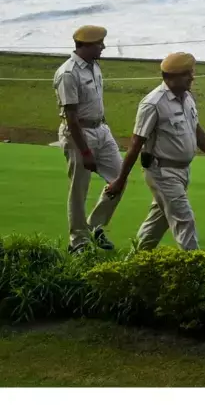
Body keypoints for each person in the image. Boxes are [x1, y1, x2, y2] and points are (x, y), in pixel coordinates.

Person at [107, 53, 205, 252]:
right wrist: (120, 179)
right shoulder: (153, 103)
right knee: (184, 220)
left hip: (182, 172)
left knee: (157, 222)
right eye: (187, 74)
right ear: (171, 77)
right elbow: (135, 143)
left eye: (191, 73)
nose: (192, 78)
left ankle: (135, 262)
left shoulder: (187, 97)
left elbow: (197, 130)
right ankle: (194, 268)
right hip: (162, 172)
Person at [55, 25, 122, 254]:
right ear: (83, 45)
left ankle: (94, 226)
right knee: (79, 189)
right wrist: (85, 152)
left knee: (118, 179)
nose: (103, 47)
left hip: (102, 129)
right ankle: (78, 241)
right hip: (79, 134)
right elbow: (71, 117)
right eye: (98, 44)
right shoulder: (68, 73)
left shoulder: (94, 66)